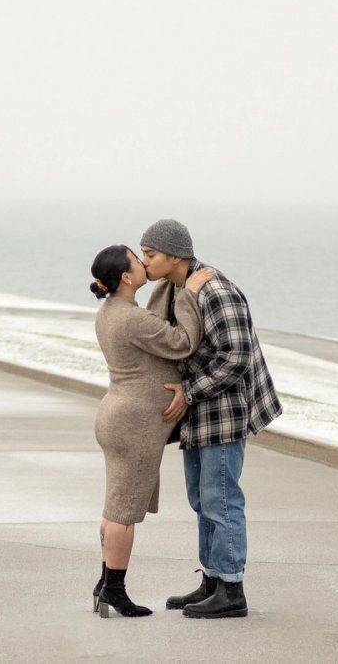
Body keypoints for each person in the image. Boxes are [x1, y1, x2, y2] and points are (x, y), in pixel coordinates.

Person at [140, 219, 282, 619]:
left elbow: (236, 356)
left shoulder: (215, 291)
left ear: (175, 256)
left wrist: (188, 391)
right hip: (199, 414)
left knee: (221, 499)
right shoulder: (176, 290)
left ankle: (232, 590)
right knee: (201, 500)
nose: (145, 262)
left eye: (151, 254)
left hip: (223, 411)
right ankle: (212, 580)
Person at [88, 244, 214, 618]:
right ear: (126, 277)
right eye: (137, 260)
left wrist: (171, 284)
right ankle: (114, 590)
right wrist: (189, 294)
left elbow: (152, 323)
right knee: (123, 512)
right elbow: (182, 342)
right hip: (134, 424)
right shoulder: (131, 319)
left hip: (117, 417)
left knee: (115, 508)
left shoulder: (112, 311)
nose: (144, 263)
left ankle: (104, 585)